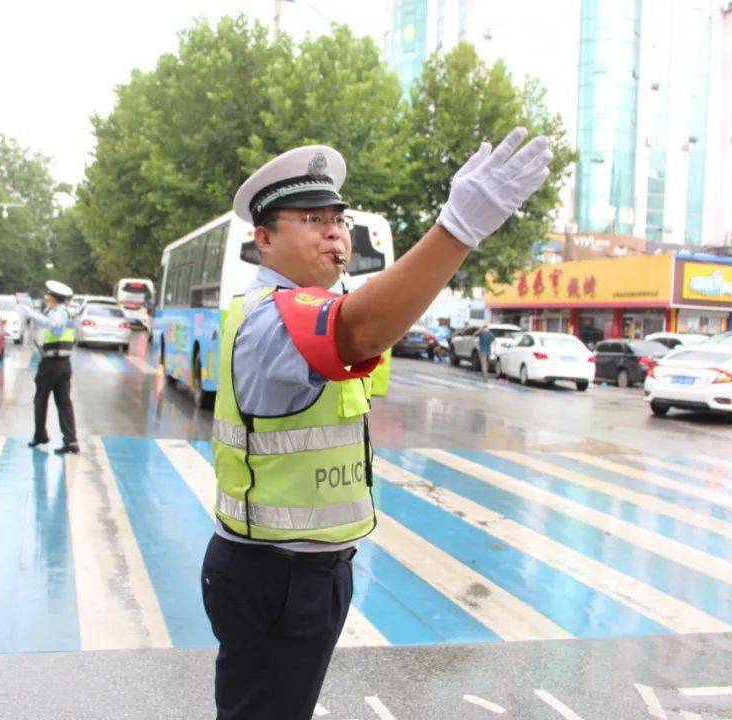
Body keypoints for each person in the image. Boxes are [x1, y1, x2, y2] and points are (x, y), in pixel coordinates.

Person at [203, 128, 551, 720]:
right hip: (277, 576)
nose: (334, 231)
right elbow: (356, 329)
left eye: (338, 218)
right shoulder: (273, 318)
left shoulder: (304, 306)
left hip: (302, 569)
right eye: (311, 219)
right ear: (264, 239)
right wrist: (457, 230)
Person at [16, 281, 80, 454]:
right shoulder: (65, 312)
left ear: (53, 297)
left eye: (47, 294)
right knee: (63, 402)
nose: (45, 297)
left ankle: (40, 435)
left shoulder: (59, 313)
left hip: (52, 364)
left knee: (41, 399)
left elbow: (54, 326)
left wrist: (31, 313)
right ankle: (70, 440)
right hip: (63, 363)